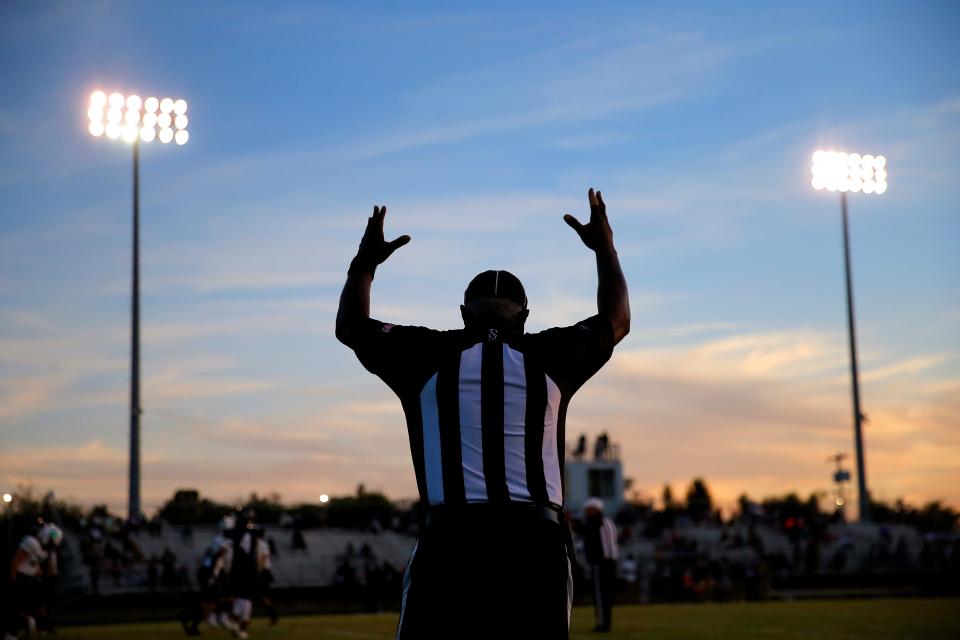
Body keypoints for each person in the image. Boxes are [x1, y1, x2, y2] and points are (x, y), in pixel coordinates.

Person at [336, 188, 630, 639]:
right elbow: (616, 319)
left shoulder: (426, 354)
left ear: (462, 313)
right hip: (534, 542)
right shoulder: (550, 355)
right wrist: (604, 247)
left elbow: (351, 327)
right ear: (526, 316)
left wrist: (366, 262)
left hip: (452, 539)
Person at [582, 497, 619, 633]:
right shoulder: (608, 521)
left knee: (599, 594)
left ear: (594, 509)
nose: (586, 512)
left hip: (600, 563)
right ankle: (605, 622)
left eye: (588, 509)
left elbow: (588, 535)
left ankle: (603, 624)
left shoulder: (595, 522)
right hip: (611, 562)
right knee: (607, 595)